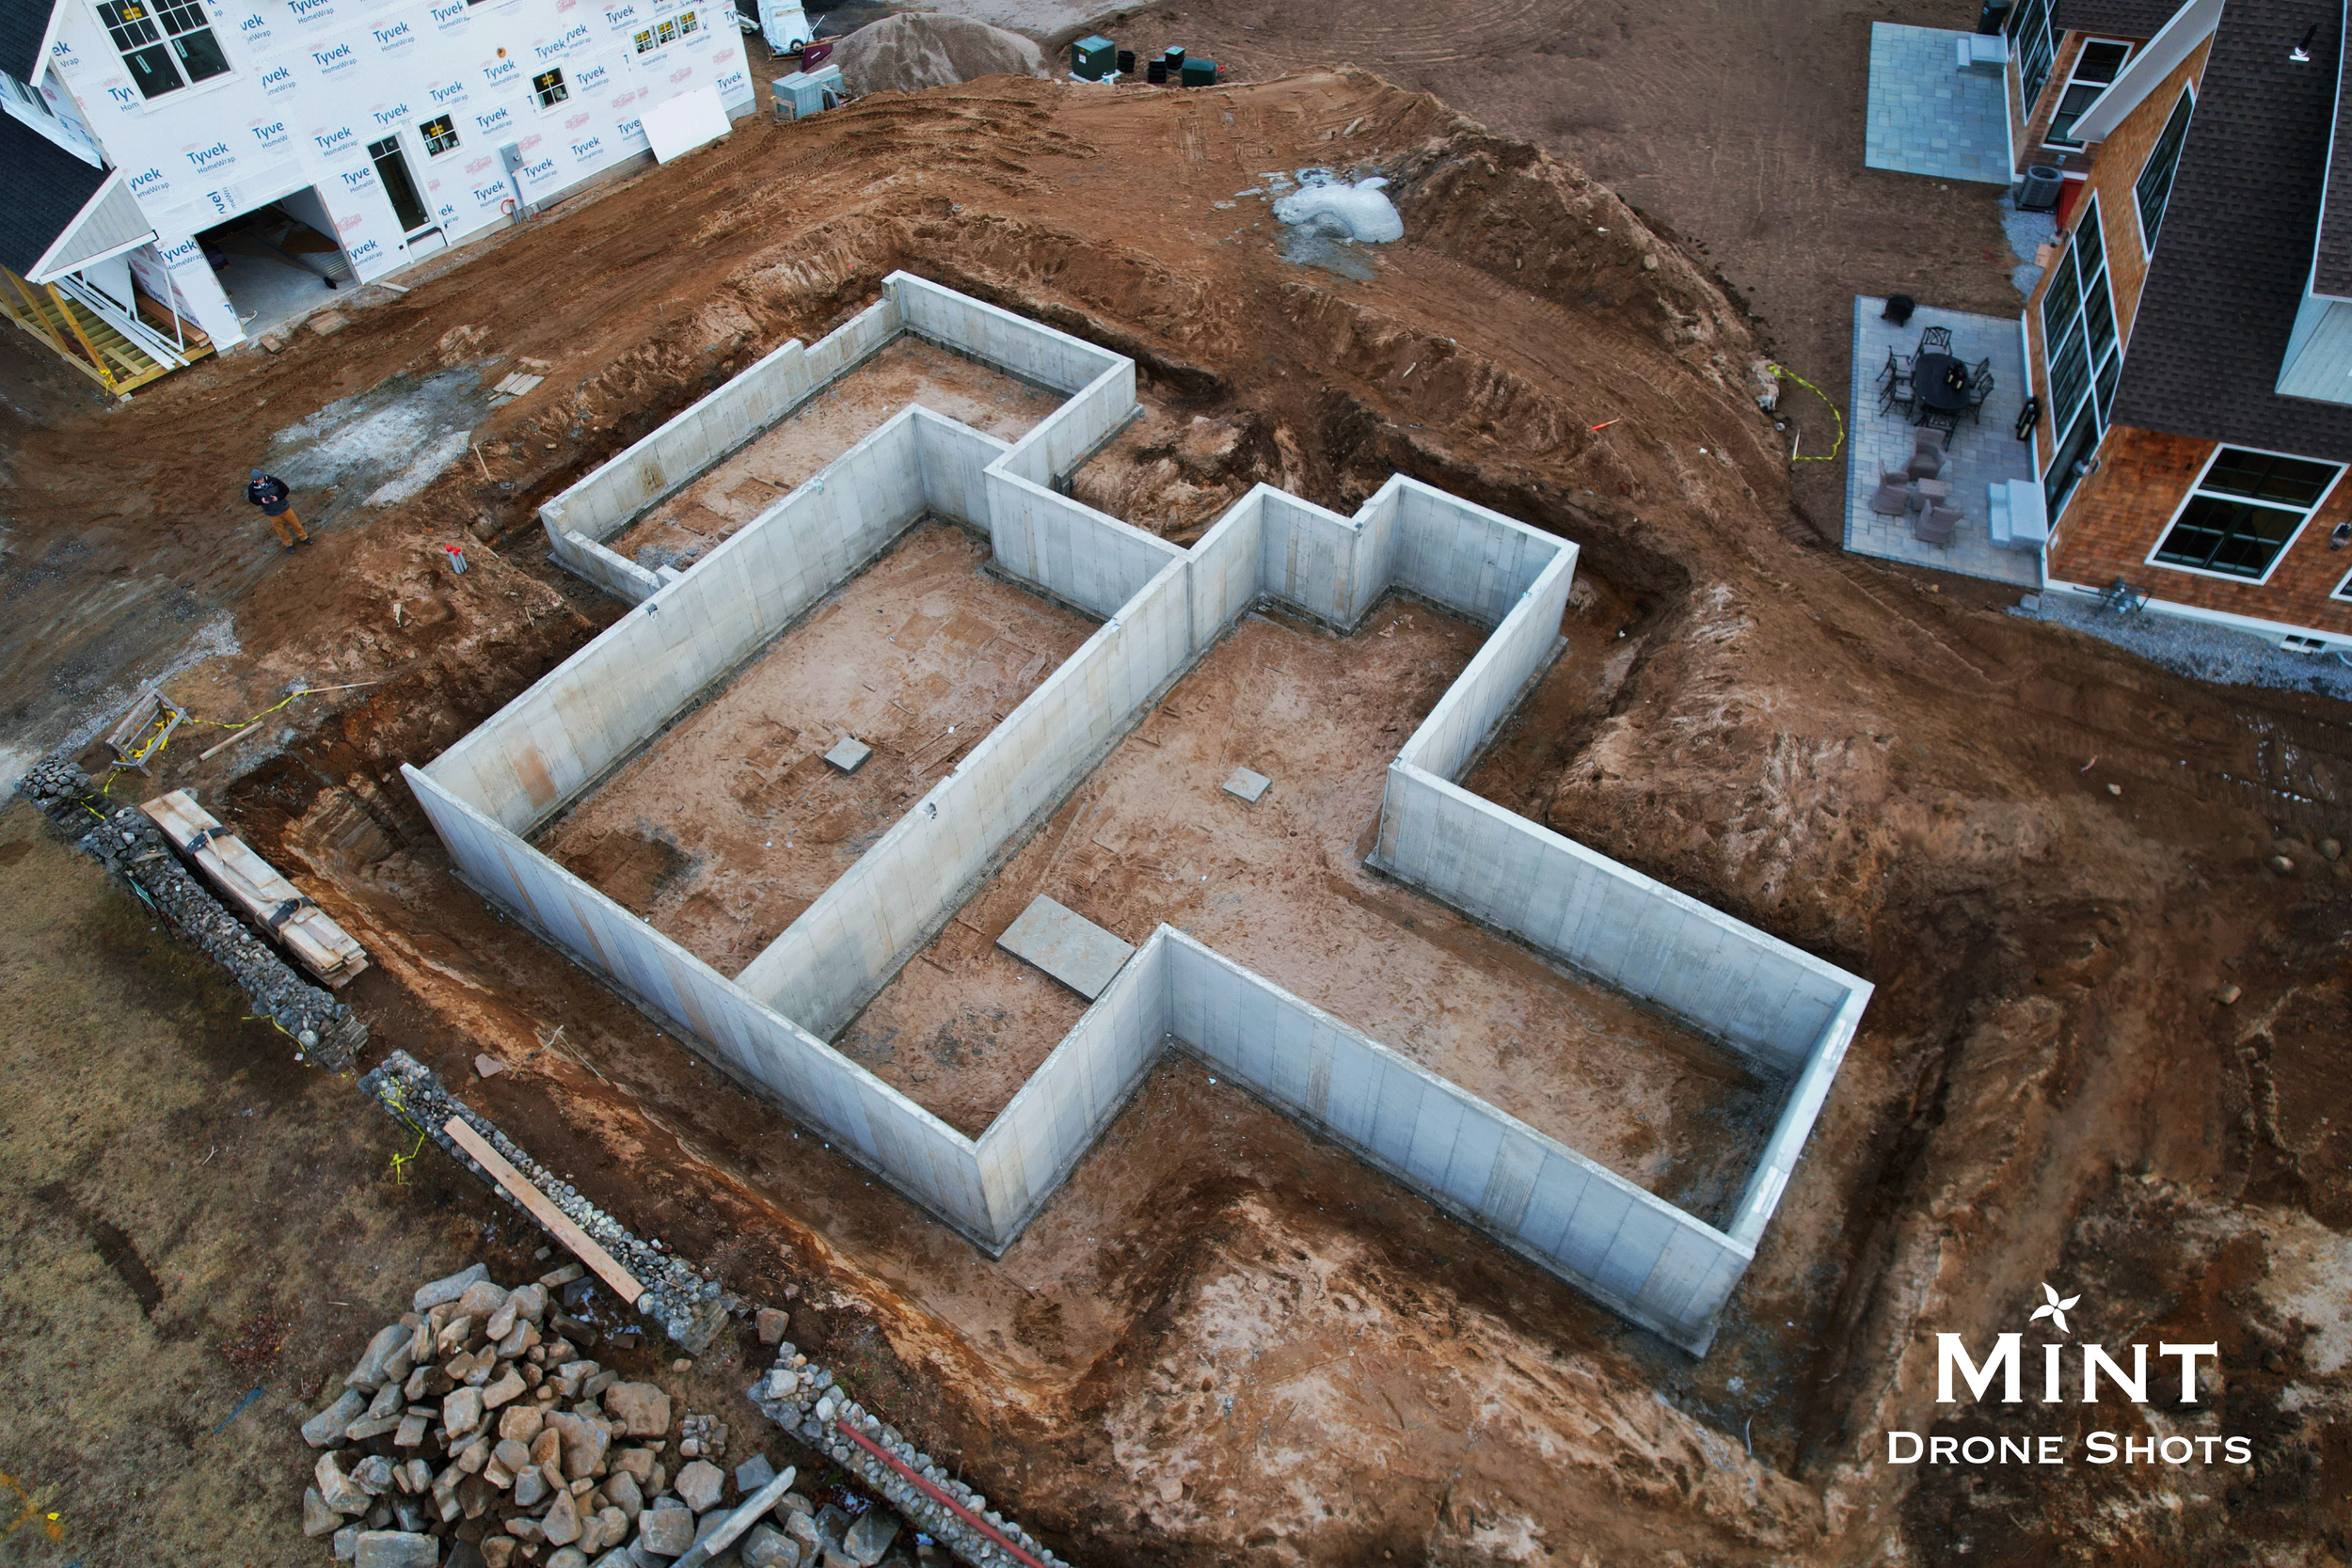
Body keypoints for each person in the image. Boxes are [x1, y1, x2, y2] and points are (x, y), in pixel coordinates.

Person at [246, 468, 310, 549]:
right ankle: (288, 544)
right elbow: (252, 499)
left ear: (263, 476)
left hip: (284, 508)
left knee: (295, 524)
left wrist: (277, 497)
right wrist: (261, 501)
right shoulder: (252, 488)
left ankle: (303, 537)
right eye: (258, 480)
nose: (260, 481)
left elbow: (285, 489)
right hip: (271, 513)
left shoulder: (273, 481)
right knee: (280, 531)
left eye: (261, 479)